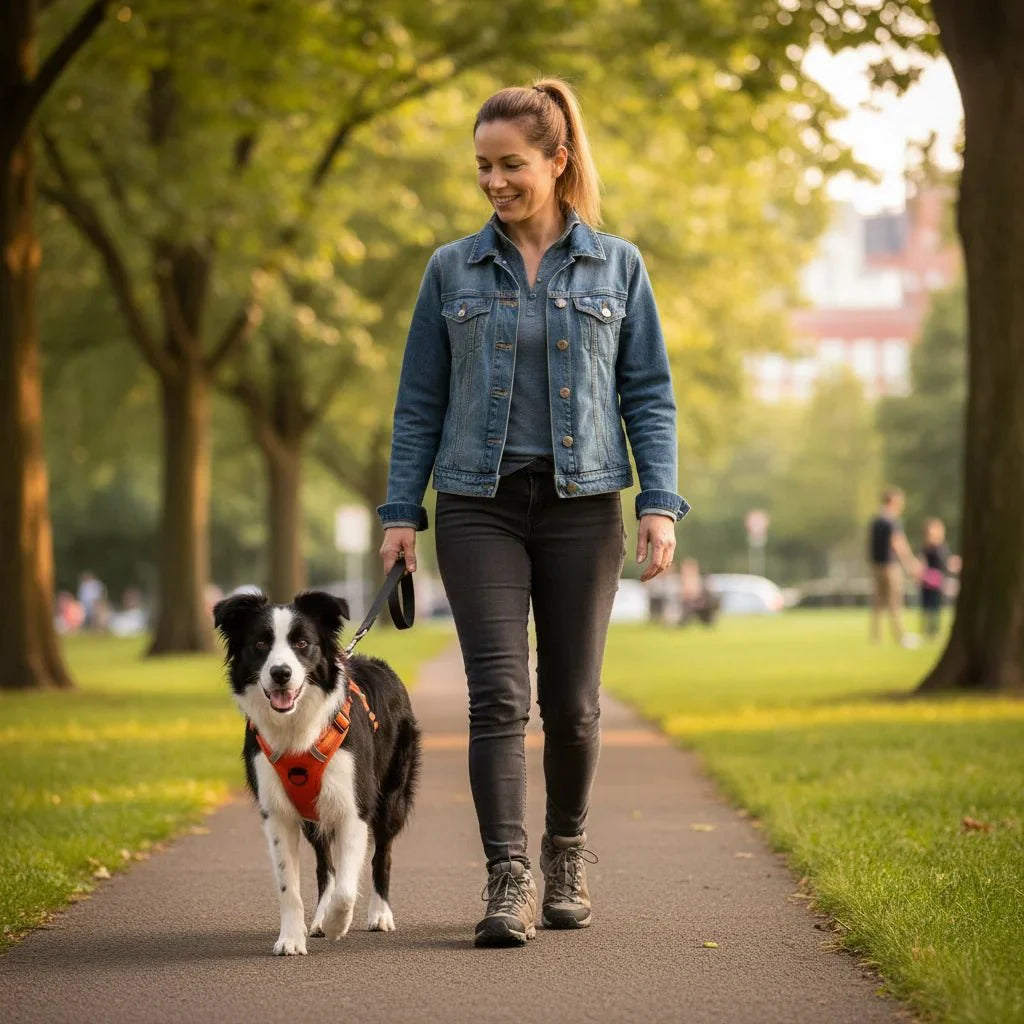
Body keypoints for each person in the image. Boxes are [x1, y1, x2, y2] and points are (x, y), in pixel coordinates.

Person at [377, 79, 688, 948]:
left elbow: (649, 395)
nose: (493, 181)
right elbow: (419, 402)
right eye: (482, 165)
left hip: (585, 505)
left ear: (558, 160)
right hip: (478, 503)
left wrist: (659, 503)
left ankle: (566, 853)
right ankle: (507, 875)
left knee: (576, 704)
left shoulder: (617, 266)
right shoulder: (451, 269)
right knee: (498, 698)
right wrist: (402, 511)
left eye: (510, 164)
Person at [867, 488, 920, 647]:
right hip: (890, 566)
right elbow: (897, 542)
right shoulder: (892, 521)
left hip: (876, 565)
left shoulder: (876, 520)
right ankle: (900, 635)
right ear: (894, 501)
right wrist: (910, 563)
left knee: (878, 602)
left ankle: (876, 637)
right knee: (895, 601)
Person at [919, 518, 960, 638]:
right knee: (927, 606)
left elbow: (946, 563)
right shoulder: (927, 548)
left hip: (938, 581)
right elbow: (922, 562)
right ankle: (926, 629)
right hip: (927, 580)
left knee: (936, 606)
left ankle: (934, 630)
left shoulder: (942, 547)